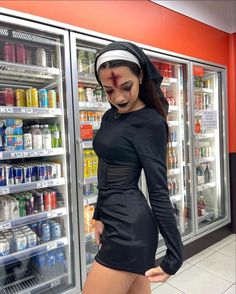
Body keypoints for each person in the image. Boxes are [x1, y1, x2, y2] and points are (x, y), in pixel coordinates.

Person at [82, 41, 183, 294]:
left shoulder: (150, 123)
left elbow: (158, 190)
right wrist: (99, 215)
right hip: (114, 219)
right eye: (108, 91)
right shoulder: (110, 116)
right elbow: (105, 169)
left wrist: (175, 253)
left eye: (126, 87)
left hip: (130, 228)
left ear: (140, 75)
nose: (118, 98)